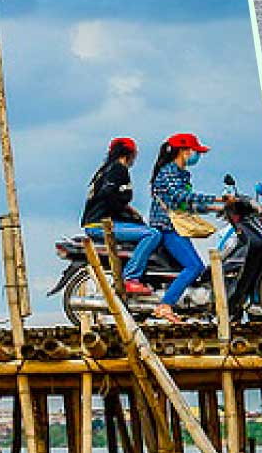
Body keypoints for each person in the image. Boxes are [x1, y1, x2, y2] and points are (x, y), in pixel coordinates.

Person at [148, 133, 222, 323]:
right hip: (167, 227)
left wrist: (215, 209)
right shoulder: (169, 172)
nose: (197, 155)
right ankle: (165, 305)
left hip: (177, 226)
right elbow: (181, 197)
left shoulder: (181, 174)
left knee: (192, 266)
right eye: (195, 151)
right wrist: (216, 199)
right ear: (183, 151)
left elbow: (186, 205)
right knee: (194, 266)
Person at [82, 137, 159, 295]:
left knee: (144, 229)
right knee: (152, 234)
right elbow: (107, 195)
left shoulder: (107, 169)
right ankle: (130, 277)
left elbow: (109, 197)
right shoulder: (118, 169)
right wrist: (125, 212)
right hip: (100, 225)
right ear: (130, 154)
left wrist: (130, 211)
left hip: (96, 223)